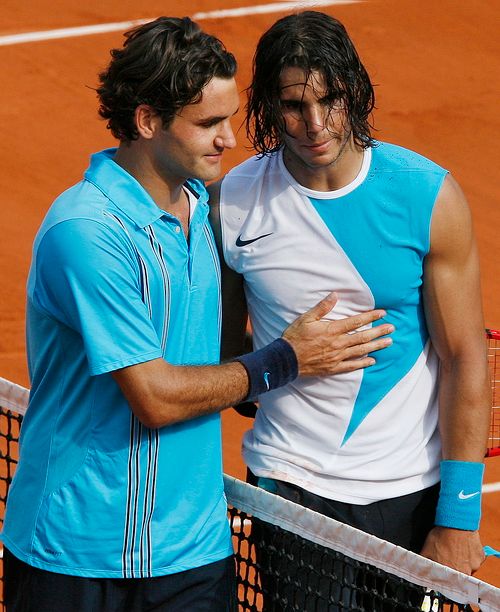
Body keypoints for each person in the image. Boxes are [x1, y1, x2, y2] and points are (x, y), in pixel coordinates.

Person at [0, 16, 393, 612]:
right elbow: (155, 396)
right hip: (80, 555)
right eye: (209, 123)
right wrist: (286, 360)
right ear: (148, 121)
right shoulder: (88, 231)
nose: (230, 139)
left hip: (194, 554)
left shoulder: (206, 214)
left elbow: (220, 349)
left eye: (230, 118)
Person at [210, 9, 491, 586]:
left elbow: (465, 356)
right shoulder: (230, 204)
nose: (314, 124)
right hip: (292, 490)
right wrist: (283, 361)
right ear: (267, 105)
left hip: (411, 492)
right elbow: (223, 356)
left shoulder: (427, 195)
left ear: (355, 92)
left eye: (330, 99)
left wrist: (459, 519)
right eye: (293, 106)